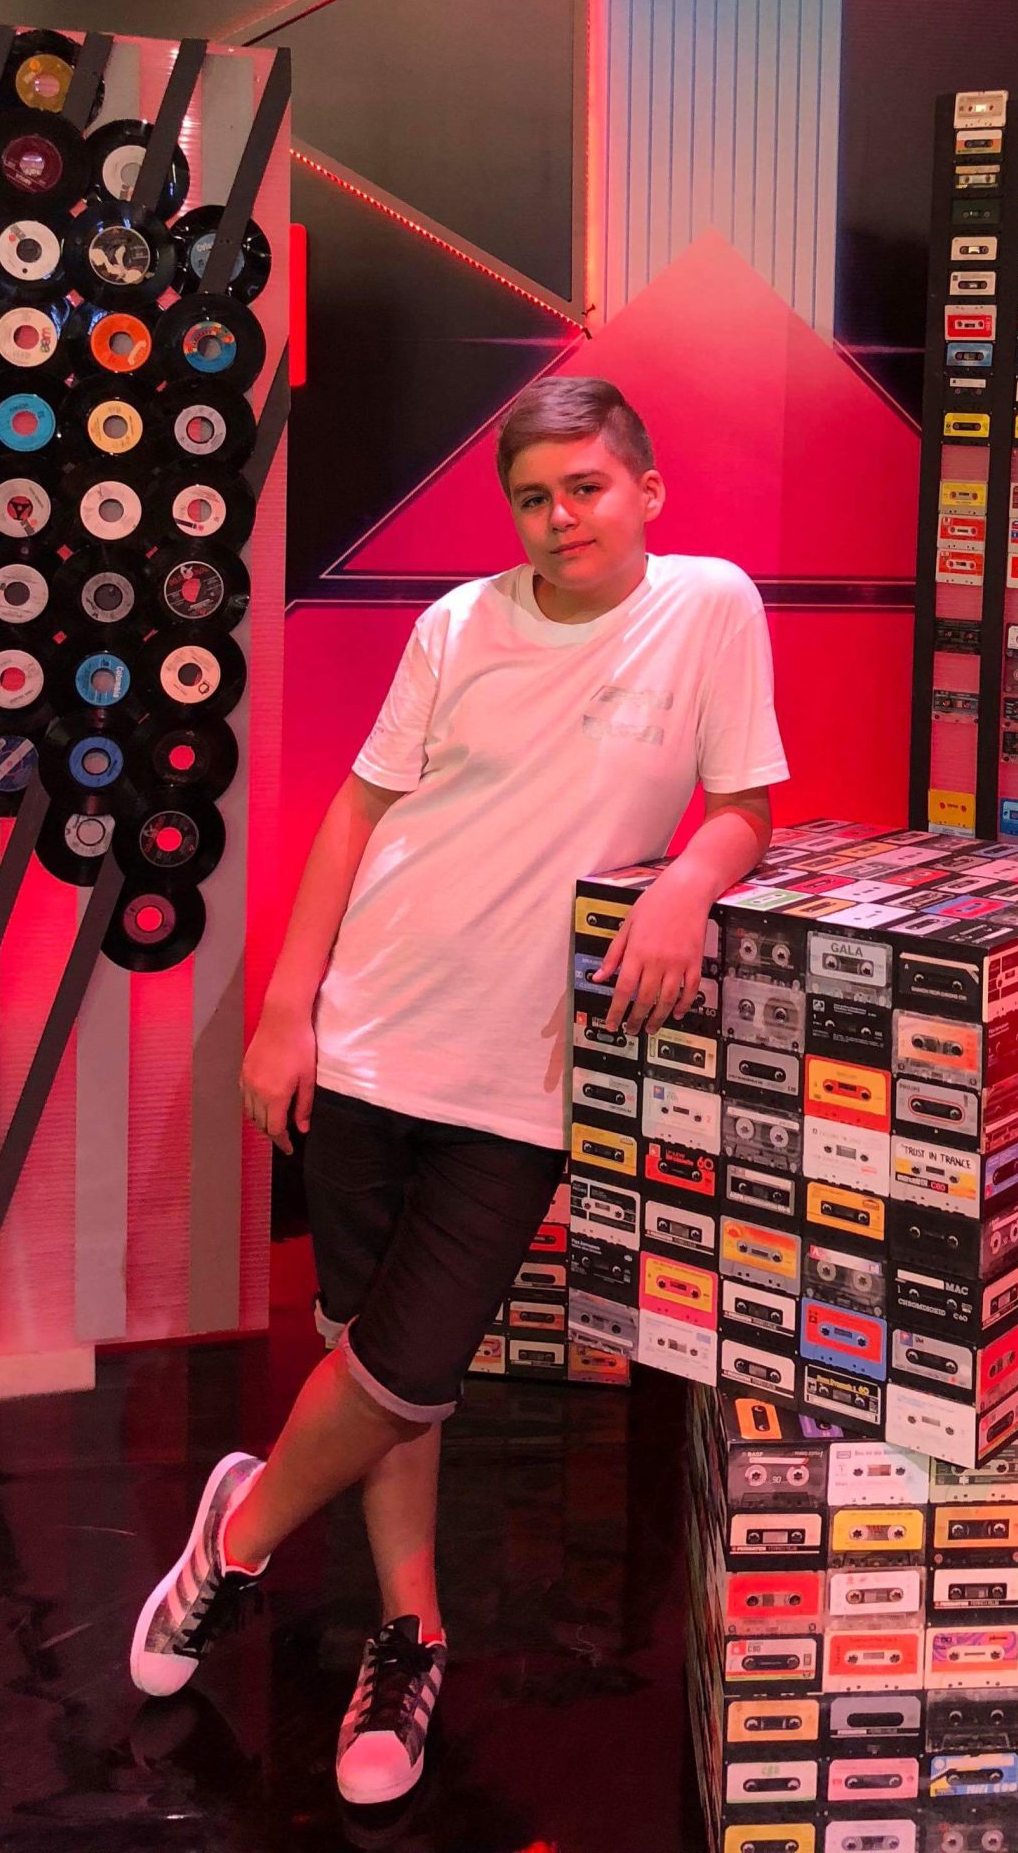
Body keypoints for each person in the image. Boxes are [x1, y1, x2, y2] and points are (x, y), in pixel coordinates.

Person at [127, 376, 786, 1803]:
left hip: (522, 1073)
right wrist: (289, 1010)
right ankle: (410, 1635)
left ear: (648, 489)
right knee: (376, 1354)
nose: (561, 519)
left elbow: (744, 805)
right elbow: (364, 811)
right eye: (533, 499)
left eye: (586, 488)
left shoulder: (711, 607)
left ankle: (234, 1543)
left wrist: (686, 882)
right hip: (373, 1032)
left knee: (406, 1365)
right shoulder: (456, 625)